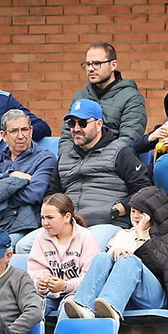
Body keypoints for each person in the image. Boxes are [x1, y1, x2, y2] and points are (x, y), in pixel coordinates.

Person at [68, 186, 168, 334]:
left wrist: (140, 236)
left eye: (141, 212)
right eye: (133, 211)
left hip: (156, 296)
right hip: (126, 295)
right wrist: (115, 251)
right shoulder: (123, 234)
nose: (135, 216)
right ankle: (84, 307)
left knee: (130, 260)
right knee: (102, 257)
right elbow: (107, 265)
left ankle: (111, 308)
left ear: (153, 213)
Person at [42, 100, 152, 247]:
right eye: (71, 124)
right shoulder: (65, 156)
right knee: (25, 245)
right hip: (67, 226)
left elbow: (144, 188)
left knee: (85, 245)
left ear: (99, 124)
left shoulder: (120, 151)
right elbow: (52, 193)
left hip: (106, 223)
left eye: (82, 123)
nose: (76, 129)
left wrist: (121, 208)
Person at [0, 110, 56, 241]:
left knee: (0, 247)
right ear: (4, 135)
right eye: (14, 131)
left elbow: (34, 194)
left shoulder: (45, 158)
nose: (21, 136)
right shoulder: (0, 159)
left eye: (24, 129)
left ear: (31, 131)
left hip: (24, 225)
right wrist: (10, 175)